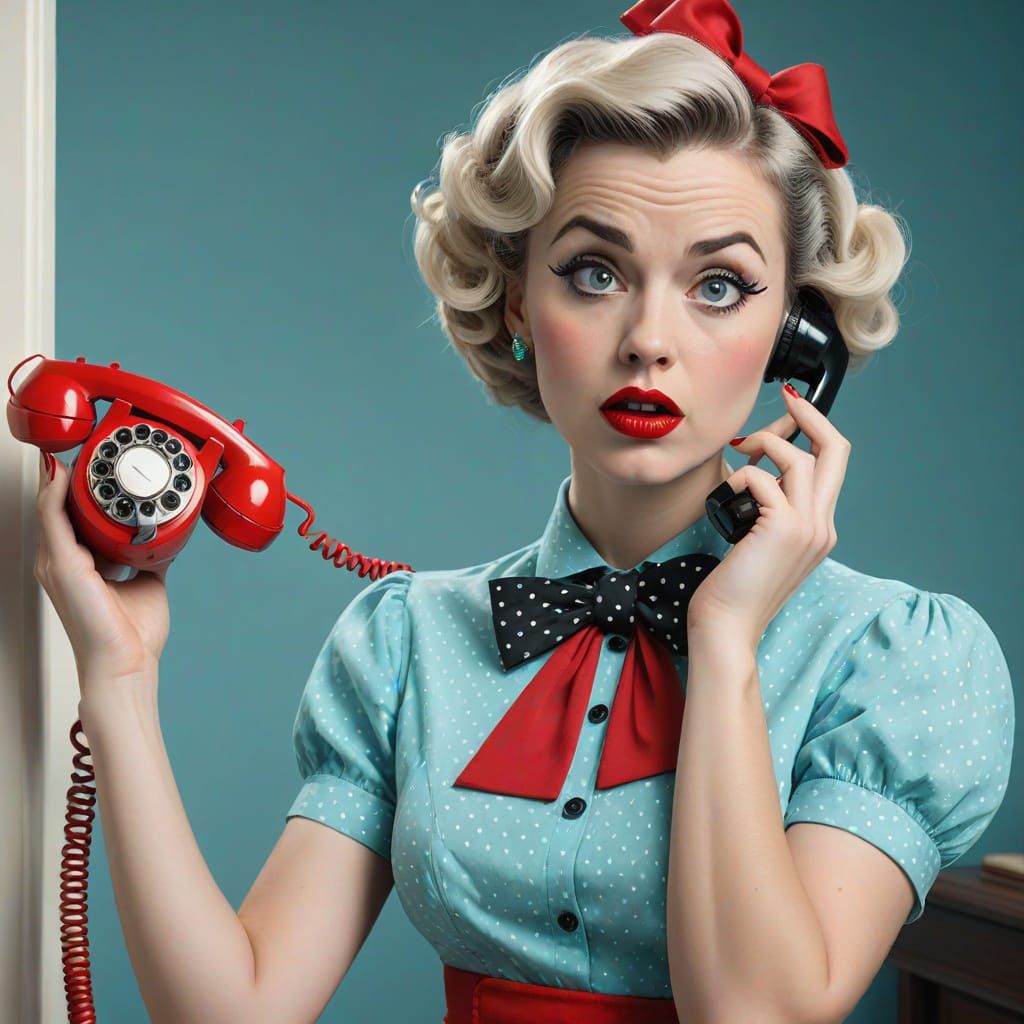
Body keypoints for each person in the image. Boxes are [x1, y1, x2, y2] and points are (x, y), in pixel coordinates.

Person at [33, 1, 1014, 1022]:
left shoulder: (893, 660)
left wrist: (724, 639)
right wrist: (119, 676)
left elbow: (752, 1012)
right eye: (596, 272)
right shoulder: (405, 643)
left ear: (796, 335)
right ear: (515, 305)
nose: (648, 338)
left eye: (719, 285)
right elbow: (231, 1011)